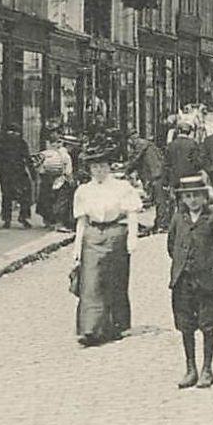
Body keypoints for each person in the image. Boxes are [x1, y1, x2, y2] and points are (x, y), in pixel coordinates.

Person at [72, 140, 142, 347]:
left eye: (103, 166)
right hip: (93, 235)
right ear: (90, 169)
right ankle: (90, 329)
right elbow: (81, 222)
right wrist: (77, 248)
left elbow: (131, 213)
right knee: (90, 281)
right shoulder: (83, 191)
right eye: (95, 167)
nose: (99, 171)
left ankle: (115, 326)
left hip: (115, 233)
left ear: (109, 167)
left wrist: (132, 238)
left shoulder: (122, 187)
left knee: (115, 280)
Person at [167, 172, 213, 389]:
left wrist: (205, 264)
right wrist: (183, 265)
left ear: (204, 197)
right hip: (182, 280)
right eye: (188, 196)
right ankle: (190, 367)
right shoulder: (177, 219)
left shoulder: (212, 220)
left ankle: (207, 368)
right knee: (186, 325)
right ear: (182, 199)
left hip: (206, 280)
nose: (192, 200)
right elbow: (171, 246)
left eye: (196, 196)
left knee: (207, 324)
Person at [161, 116, 203, 232]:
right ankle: (188, 222)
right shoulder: (192, 144)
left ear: (178, 131)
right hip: (189, 179)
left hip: (175, 179)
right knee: (190, 199)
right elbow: (198, 162)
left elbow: (166, 165)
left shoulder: (171, 145)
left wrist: (165, 181)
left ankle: (179, 223)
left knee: (179, 200)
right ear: (189, 132)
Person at [126, 133, 168, 234]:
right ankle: (160, 223)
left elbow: (135, 159)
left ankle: (162, 224)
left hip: (156, 174)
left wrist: (126, 170)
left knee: (160, 200)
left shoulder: (141, 145)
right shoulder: (147, 145)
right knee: (159, 200)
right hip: (157, 173)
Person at [0, 123, 34, 229]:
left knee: (7, 196)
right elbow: (28, 159)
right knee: (24, 195)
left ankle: (8, 219)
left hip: (7, 173)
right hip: (16, 172)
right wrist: (32, 173)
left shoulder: (2, 142)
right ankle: (22, 217)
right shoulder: (21, 142)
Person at [36, 131, 74, 231]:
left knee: (46, 199)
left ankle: (47, 221)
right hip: (60, 179)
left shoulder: (46, 153)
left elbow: (38, 166)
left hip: (46, 179)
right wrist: (70, 179)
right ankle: (59, 223)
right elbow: (68, 170)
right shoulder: (65, 154)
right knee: (61, 201)